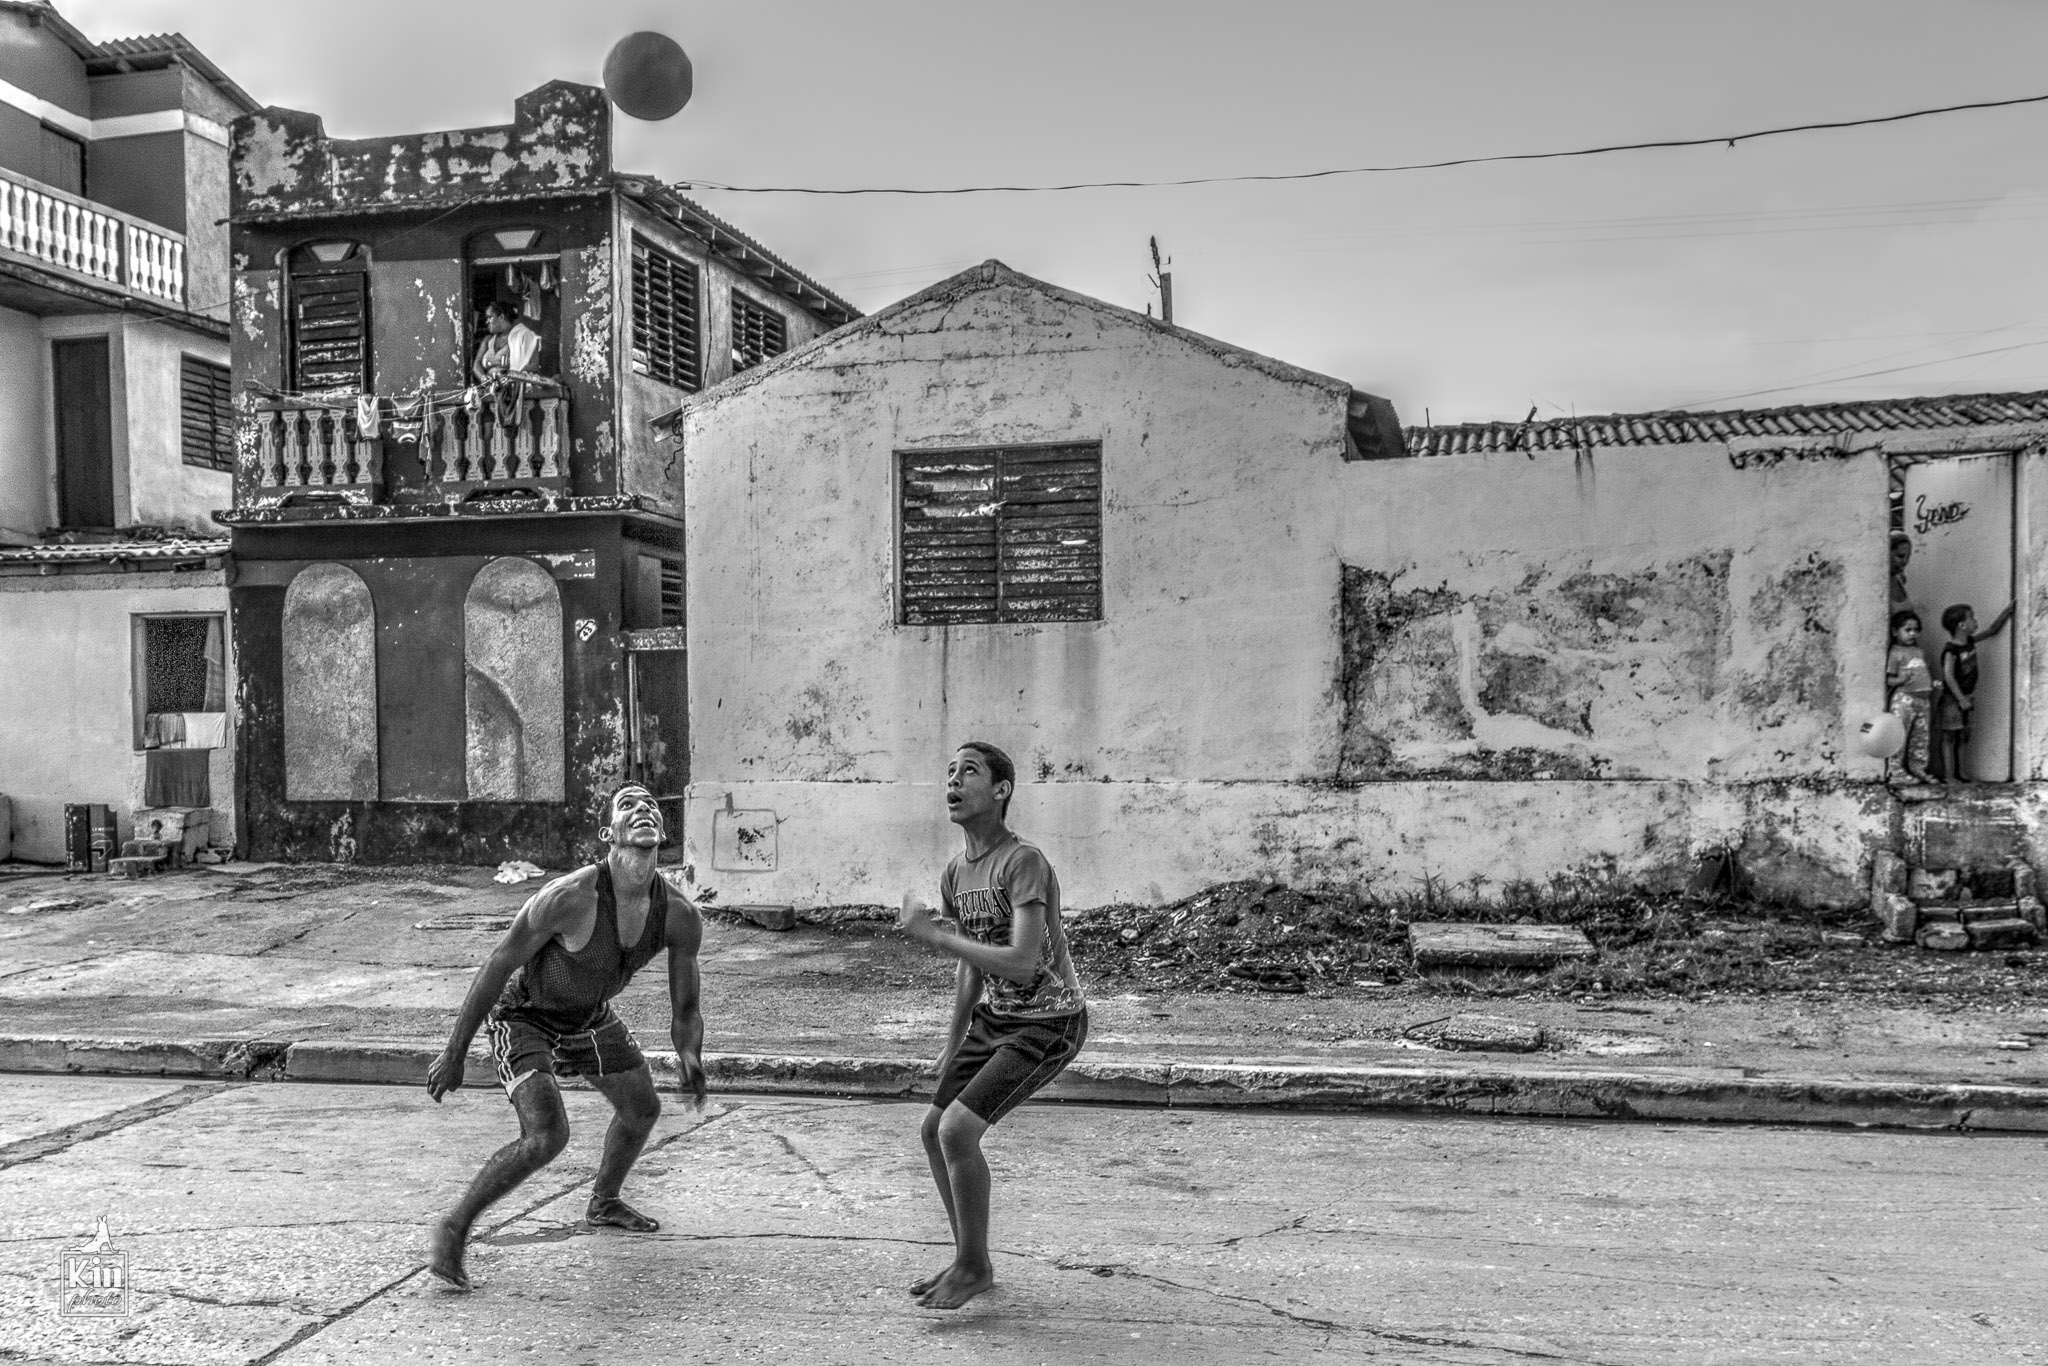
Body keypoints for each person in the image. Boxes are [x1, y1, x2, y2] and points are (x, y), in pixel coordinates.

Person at [423, 784, 705, 1291]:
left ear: (664, 832)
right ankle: (453, 1228)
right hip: (524, 1015)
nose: (642, 809)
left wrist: (690, 1056)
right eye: (627, 805)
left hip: (588, 1016)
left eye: (650, 805)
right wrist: (454, 1053)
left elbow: (686, 1007)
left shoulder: (679, 915)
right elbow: (498, 964)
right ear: (609, 834)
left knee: (642, 1108)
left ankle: (604, 1202)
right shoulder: (570, 897)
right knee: (547, 1135)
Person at [896, 741, 1087, 1310]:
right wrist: (954, 1041)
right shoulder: (956, 872)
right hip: (996, 1019)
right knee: (934, 1130)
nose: (953, 781)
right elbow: (972, 965)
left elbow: (1023, 963)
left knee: (958, 1132)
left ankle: (973, 1265)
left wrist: (935, 936)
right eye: (949, 772)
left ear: (1001, 790)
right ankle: (969, 1259)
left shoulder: (1022, 861)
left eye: (969, 771)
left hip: (1048, 1022)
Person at [1938, 600, 2014, 783]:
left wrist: (2006, 612)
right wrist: (1960, 699)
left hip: (1967, 696)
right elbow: (1949, 676)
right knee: (1949, 736)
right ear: (1961, 625)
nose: (1975, 621)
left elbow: (1991, 631)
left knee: (1963, 736)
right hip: (1953, 699)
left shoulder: (1970, 642)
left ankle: (1962, 773)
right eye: (1972, 617)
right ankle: (1949, 775)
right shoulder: (1951, 650)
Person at [1886, 610, 1935, 785]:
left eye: (1916, 630)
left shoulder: (1918, 651)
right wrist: (1901, 679)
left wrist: (1933, 683)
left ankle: (1918, 768)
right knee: (1900, 735)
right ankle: (1896, 771)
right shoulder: (1895, 653)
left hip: (1923, 700)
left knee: (1921, 737)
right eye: (1907, 630)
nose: (1912, 634)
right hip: (1905, 699)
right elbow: (1889, 680)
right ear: (1895, 631)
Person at [472, 299, 541, 382]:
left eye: (490, 317)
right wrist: (483, 377)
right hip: (489, 388)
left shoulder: (522, 336)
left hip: (512, 387)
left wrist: (509, 376)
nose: (487, 322)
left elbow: (534, 365)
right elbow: (476, 364)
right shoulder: (488, 340)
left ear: (501, 317)